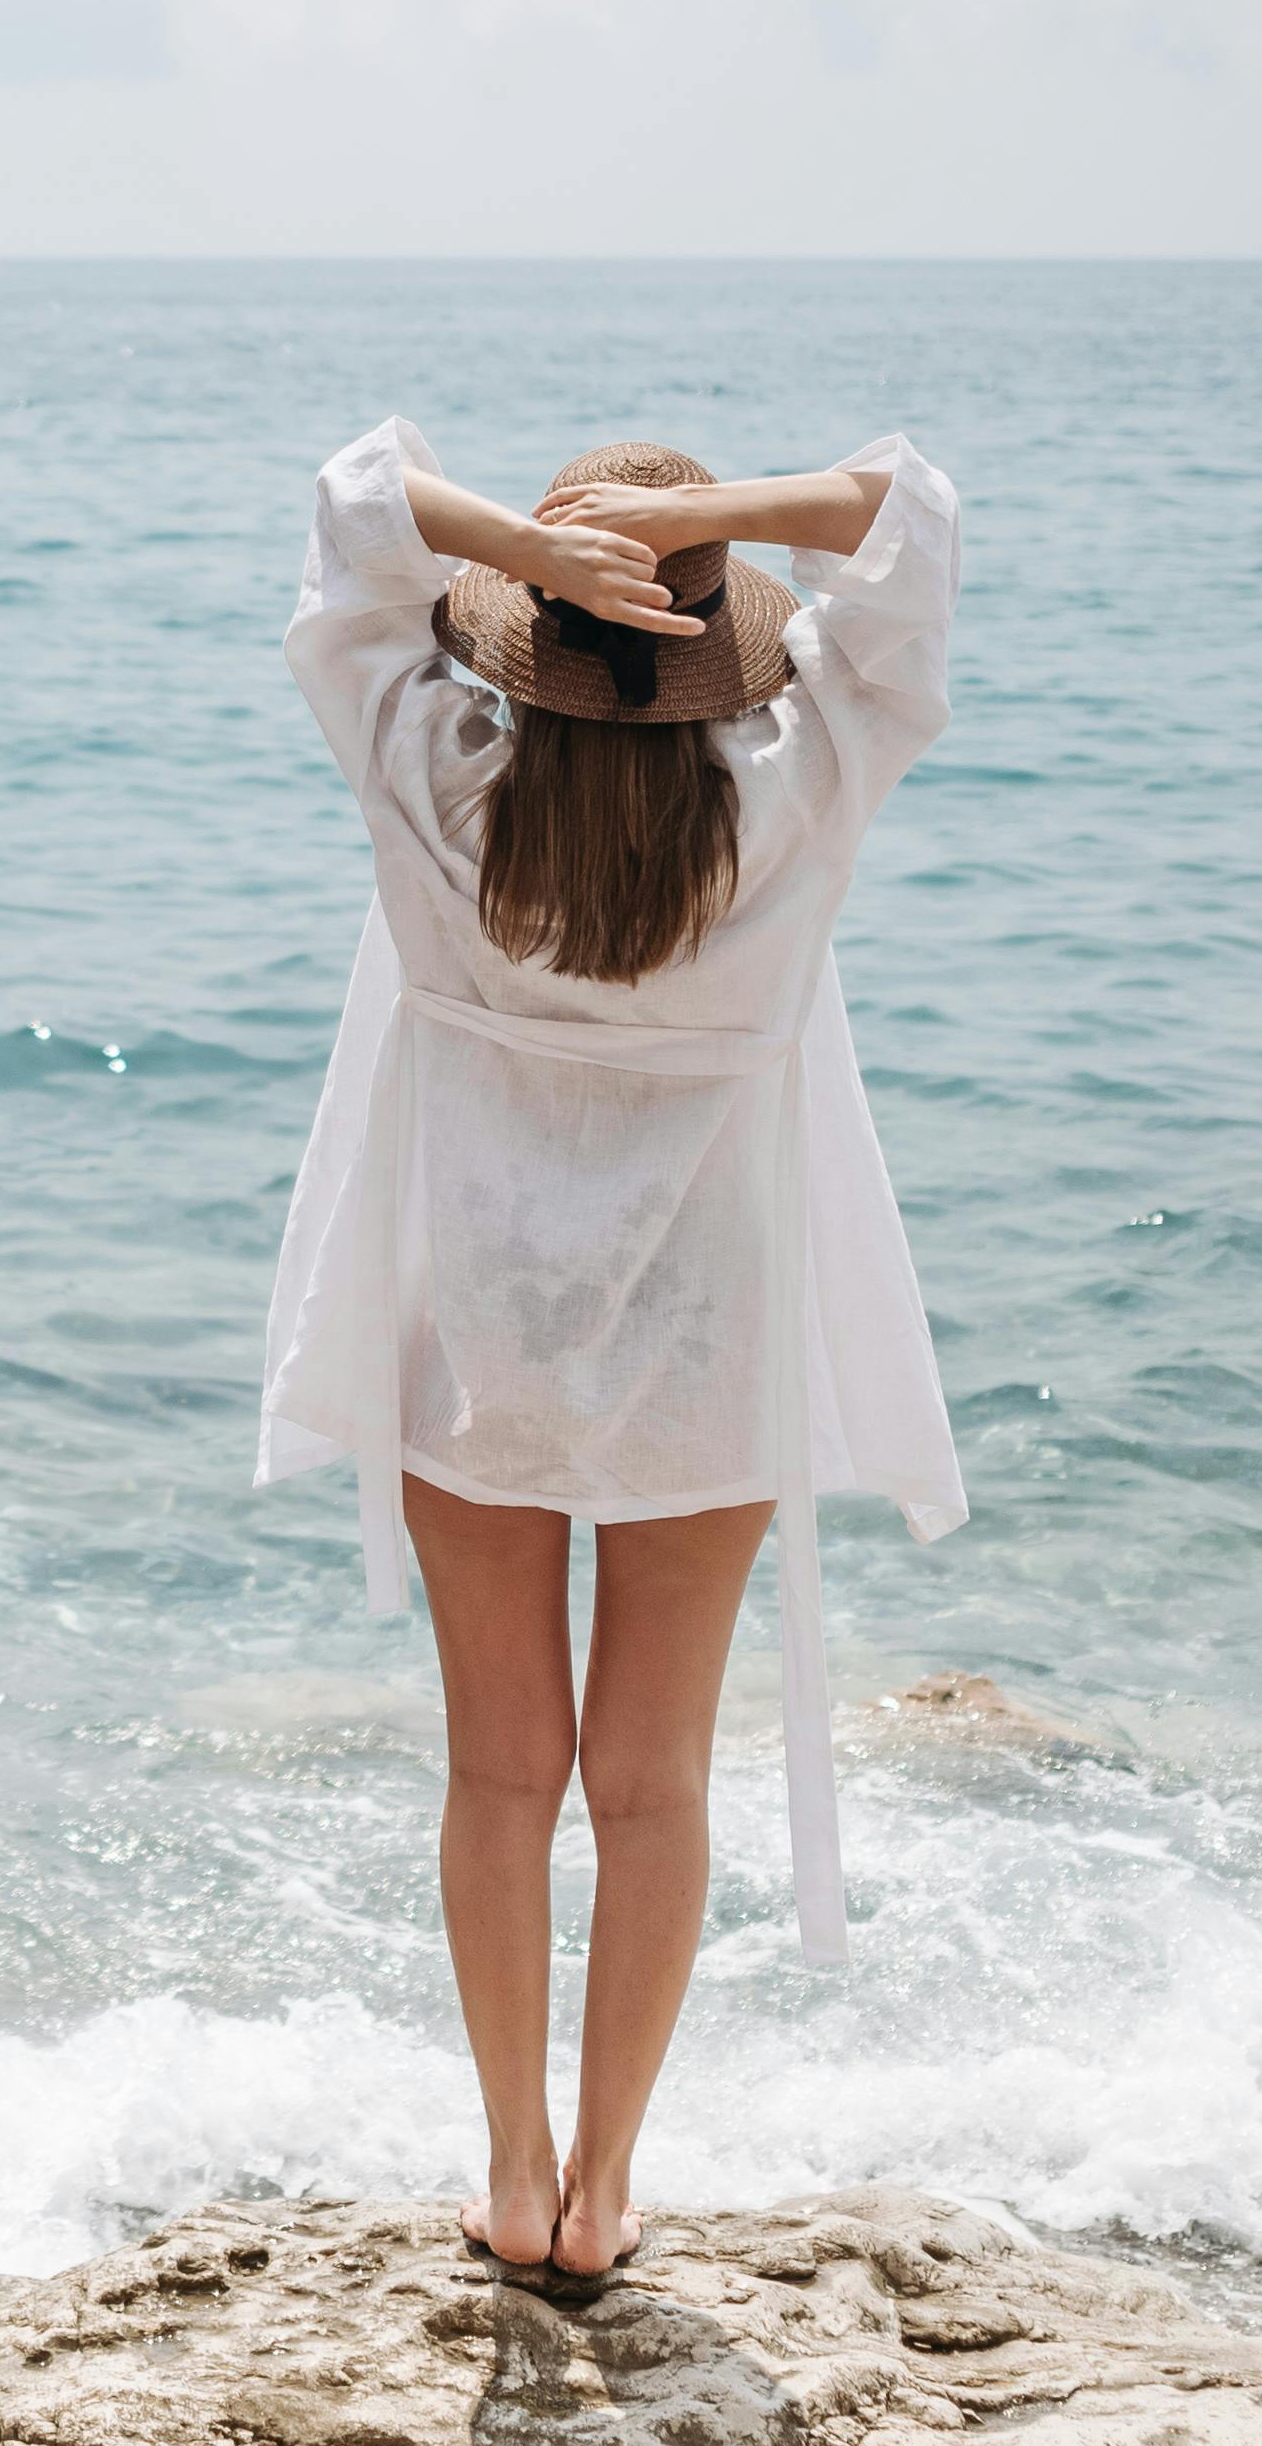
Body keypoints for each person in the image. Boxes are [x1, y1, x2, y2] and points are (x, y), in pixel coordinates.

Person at [261, 421, 964, 2286]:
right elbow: (912, 524)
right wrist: (710, 523)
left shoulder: (431, 779)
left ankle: (507, 2172)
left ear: (529, 642)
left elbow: (354, 506)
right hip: (708, 1354)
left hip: (469, 1330)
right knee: (650, 1779)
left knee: (501, 1772)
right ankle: (604, 2196)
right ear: (722, 644)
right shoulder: (803, 792)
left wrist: (540, 544)